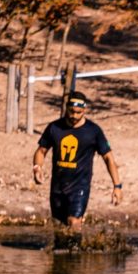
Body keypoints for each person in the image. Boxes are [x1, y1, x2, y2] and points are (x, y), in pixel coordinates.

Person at [32, 91, 122, 248]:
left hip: (79, 186)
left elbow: (108, 158)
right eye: (71, 111)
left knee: (74, 221)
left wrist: (117, 186)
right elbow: (41, 151)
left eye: (78, 112)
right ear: (66, 108)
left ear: (85, 110)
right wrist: (37, 168)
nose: (74, 116)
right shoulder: (54, 128)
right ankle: (61, 262)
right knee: (59, 230)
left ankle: (75, 257)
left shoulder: (93, 131)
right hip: (57, 187)